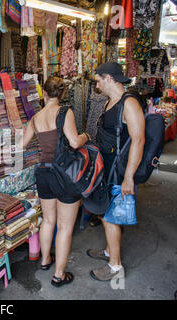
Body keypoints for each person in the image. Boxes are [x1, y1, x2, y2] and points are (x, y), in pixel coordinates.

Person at [22, 77, 90, 287]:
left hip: (43, 174)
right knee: (65, 226)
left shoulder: (35, 118)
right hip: (64, 173)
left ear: (44, 93)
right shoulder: (64, 112)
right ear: (61, 94)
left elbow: (22, 145)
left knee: (48, 221)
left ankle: (45, 260)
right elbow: (74, 142)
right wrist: (86, 135)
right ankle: (59, 275)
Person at [87, 62, 145, 282]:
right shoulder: (110, 102)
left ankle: (115, 266)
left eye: (98, 80)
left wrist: (129, 177)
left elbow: (138, 141)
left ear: (109, 78)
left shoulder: (129, 103)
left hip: (119, 171)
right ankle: (110, 251)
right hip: (106, 166)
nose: (97, 84)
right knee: (105, 213)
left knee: (110, 216)